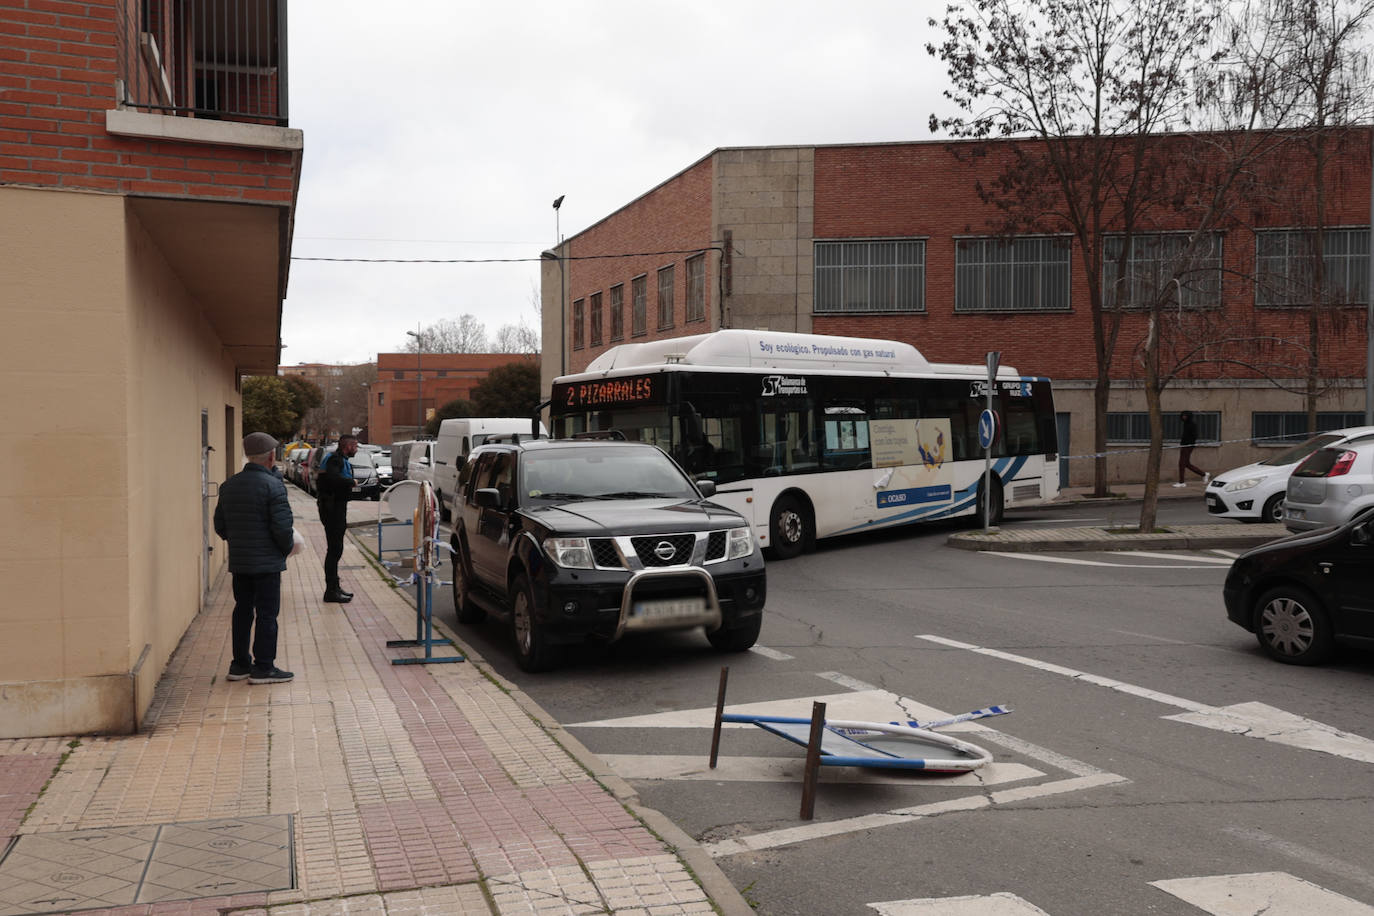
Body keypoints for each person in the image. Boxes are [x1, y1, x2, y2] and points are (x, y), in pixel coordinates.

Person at [213, 432, 295, 684]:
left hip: (241, 562)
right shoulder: (273, 486)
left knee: (242, 611)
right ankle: (263, 667)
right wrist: (285, 550)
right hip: (267, 563)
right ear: (271, 456)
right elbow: (283, 529)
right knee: (267, 614)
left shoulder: (229, 485)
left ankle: (239, 665)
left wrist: (238, 543)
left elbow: (220, 525)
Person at [317, 434, 359, 602]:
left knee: (336, 549)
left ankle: (335, 586)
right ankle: (330, 591)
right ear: (347, 446)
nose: (356, 449)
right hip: (332, 509)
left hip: (336, 508)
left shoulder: (338, 459)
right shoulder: (335, 460)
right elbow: (333, 479)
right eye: (355, 446)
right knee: (334, 550)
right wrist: (352, 482)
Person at [1174, 410, 1210, 488]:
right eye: (1183, 415)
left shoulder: (1192, 424)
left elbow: (1195, 435)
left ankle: (1182, 482)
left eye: (1185, 415)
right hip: (1184, 445)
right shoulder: (1185, 423)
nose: (1183, 417)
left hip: (1188, 446)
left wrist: (1189, 444)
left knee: (1181, 464)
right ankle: (1204, 474)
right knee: (1186, 464)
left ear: (1188, 416)